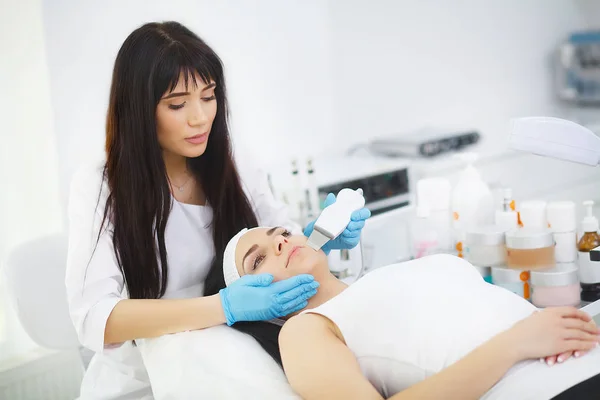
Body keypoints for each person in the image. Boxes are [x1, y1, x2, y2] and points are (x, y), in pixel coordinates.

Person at [64, 21, 370, 400]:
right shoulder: (102, 186)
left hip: (242, 356)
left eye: (208, 97)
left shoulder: (233, 161)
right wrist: (222, 306)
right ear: (139, 110)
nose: (200, 118)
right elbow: (96, 318)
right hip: (143, 380)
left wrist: (321, 236)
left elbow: (280, 240)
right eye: (178, 104)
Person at [223, 226, 600, 399]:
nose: (281, 242)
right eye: (258, 258)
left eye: (281, 233)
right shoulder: (303, 331)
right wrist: (515, 344)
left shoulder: (386, 274)